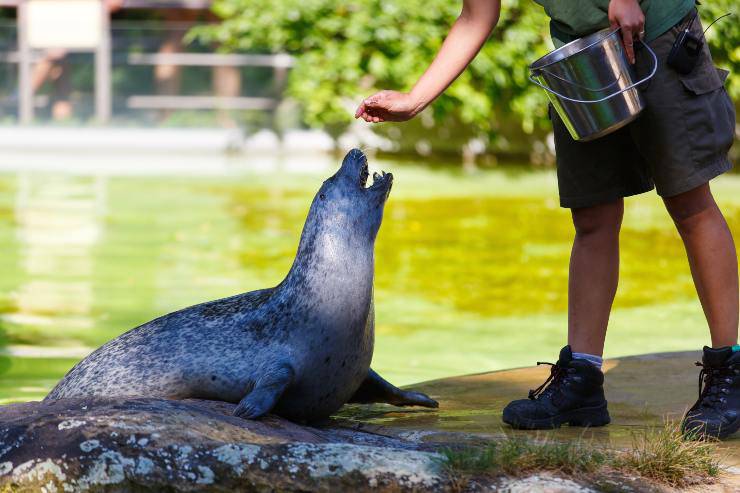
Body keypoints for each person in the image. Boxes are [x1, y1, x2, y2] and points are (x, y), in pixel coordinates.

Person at [355, 0, 738, 439]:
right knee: (593, 215)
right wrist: (414, 99)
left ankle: (730, 369)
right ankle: (583, 379)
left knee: (689, 203)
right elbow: (478, 14)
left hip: (659, 34)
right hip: (583, 57)